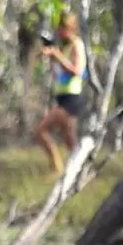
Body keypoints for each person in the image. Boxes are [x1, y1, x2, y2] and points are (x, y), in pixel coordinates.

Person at [33, 12, 86, 174]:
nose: (61, 32)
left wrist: (58, 56)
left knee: (40, 131)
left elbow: (77, 70)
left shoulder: (77, 45)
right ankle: (78, 172)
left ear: (71, 28)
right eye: (59, 28)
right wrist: (51, 57)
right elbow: (58, 73)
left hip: (72, 97)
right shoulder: (63, 46)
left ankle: (57, 168)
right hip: (62, 96)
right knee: (70, 141)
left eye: (64, 29)